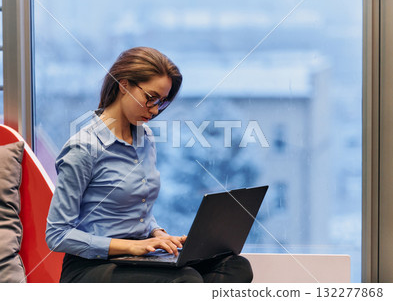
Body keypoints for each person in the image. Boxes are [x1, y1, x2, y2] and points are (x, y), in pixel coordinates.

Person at [45, 46, 253, 283]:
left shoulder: (145, 138)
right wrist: (132, 247)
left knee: (235, 267)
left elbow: (137, 209)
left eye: (162, 103)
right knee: (186, 281)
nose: (154, 110)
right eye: (150, 98)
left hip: (138, 258)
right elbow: (57, 234)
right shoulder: (84, 148)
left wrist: (157, 233)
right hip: (92, 267)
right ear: (124, 85)